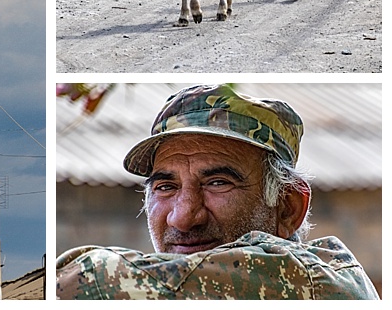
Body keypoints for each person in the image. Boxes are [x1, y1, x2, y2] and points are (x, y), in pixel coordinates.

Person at [56, 85, 378, 299]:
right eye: (166, 187)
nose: (183, 217)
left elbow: (84, 279)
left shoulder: (308, 281)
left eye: (217, 183)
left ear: (287, 207)